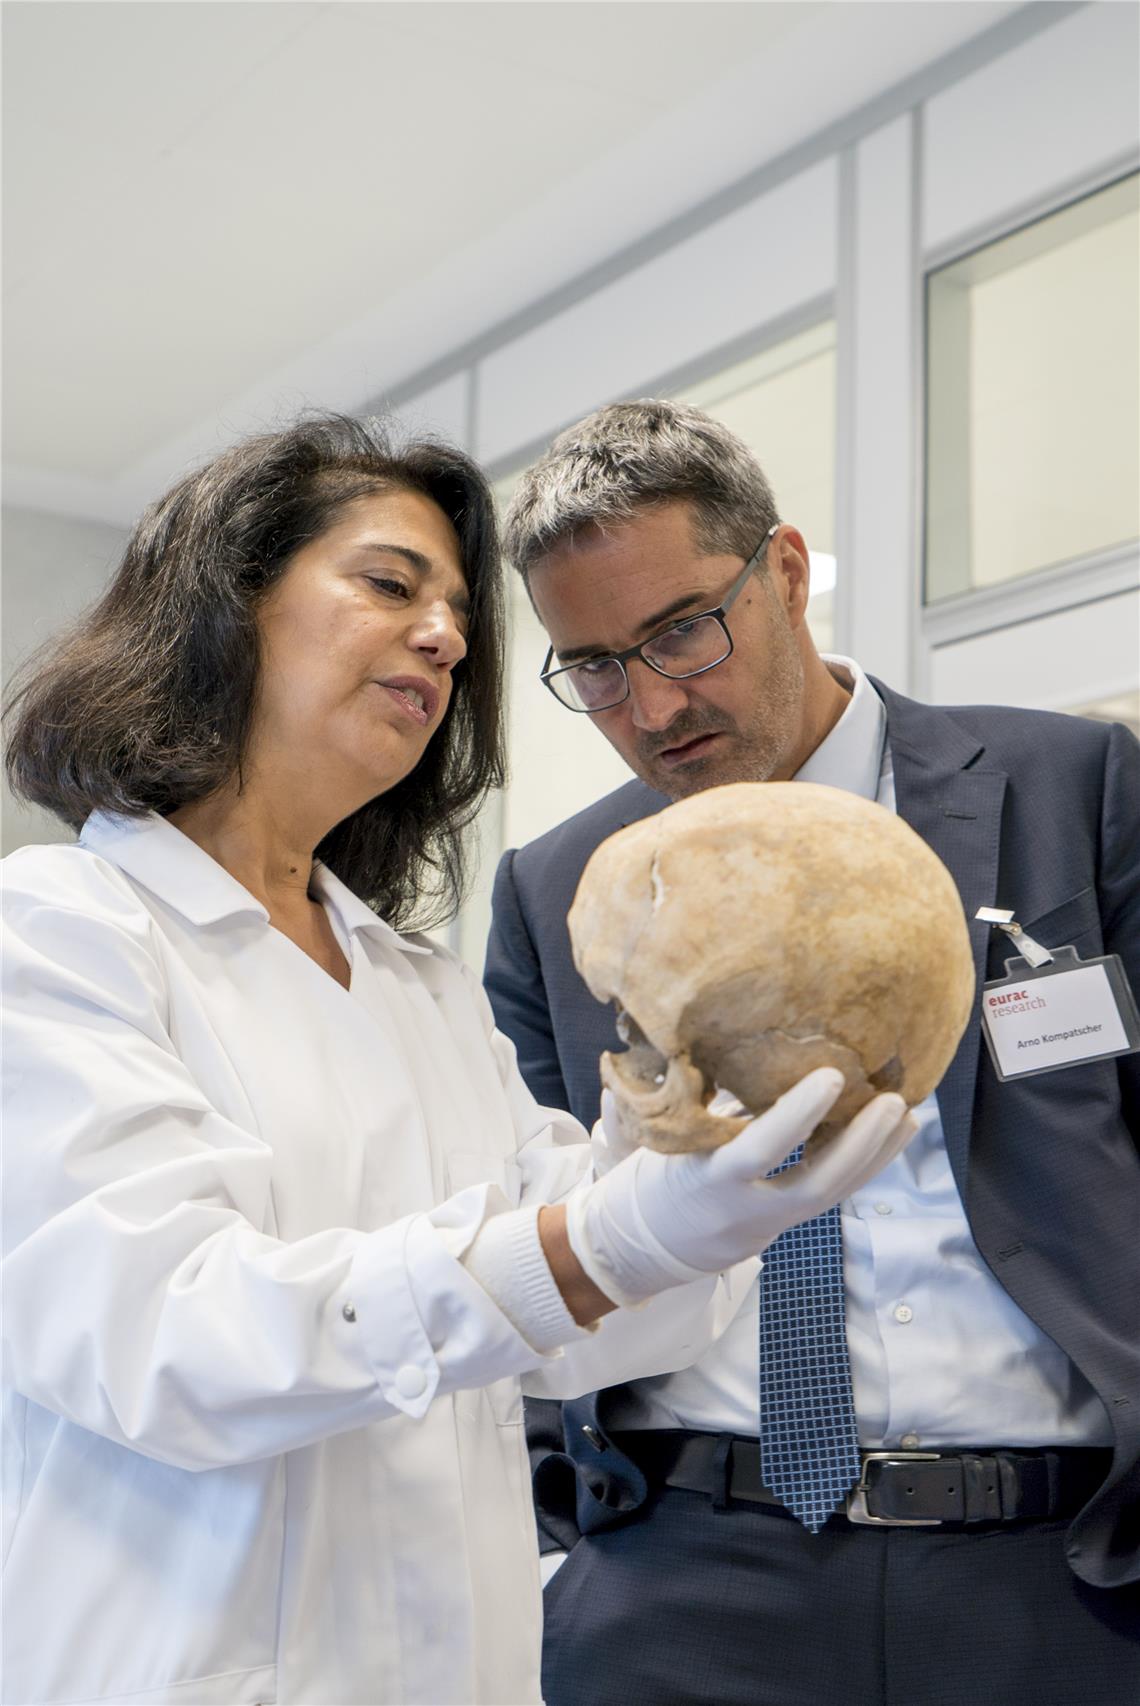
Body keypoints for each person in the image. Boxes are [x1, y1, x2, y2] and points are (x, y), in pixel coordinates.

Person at [0, 415, 918, 1706]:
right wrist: (598, 1242)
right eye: (390, 584)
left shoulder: (412, 981)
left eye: (457, 617)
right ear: (223, 603)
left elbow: (573, 1341)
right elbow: (166, 1340)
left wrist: (668, 1171)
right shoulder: (56, 930)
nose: (442, 635)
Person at [484, 398, 1140, 1706]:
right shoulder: (561, 888)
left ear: (783, 571)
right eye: (596, 666)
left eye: (684, 628)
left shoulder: (1073, 787)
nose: (651, 703)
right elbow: (537, 1219)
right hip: (679, 1577)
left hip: (1052, 1571)